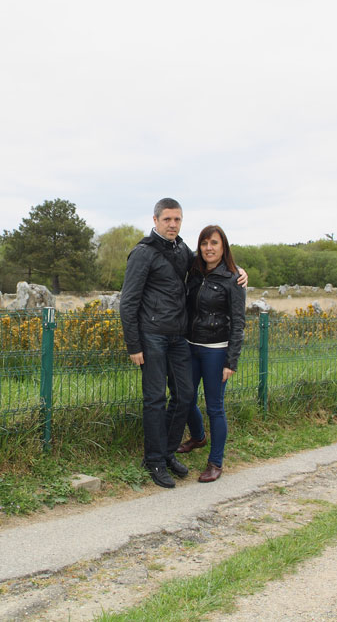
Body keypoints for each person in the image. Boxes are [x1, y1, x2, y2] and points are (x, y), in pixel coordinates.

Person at [119, 198, 196, 488]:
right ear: (155, 220)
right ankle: (153, 460)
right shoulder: (143, 253)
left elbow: (207, 264)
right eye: (167, 220)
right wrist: (133, 345)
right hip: (151, 336)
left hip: (178, 336)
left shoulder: (182, 250)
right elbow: (128, 302)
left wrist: (236, 270)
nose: (173, 225)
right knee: (154, 399)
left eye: (177, 220)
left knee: (185, 395)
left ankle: (167, 453)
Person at [175, 225, 246, 482]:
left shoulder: (233, 278)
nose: (209, 248)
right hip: (191, 346)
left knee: (215, 407)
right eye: (204, 243)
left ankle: (215, 462)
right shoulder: (194, 272)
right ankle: (198, 436)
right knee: (186, 397)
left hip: (217, 351)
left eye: (214, 243)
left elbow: (238, 322)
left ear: (223, 246)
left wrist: (231, 361)